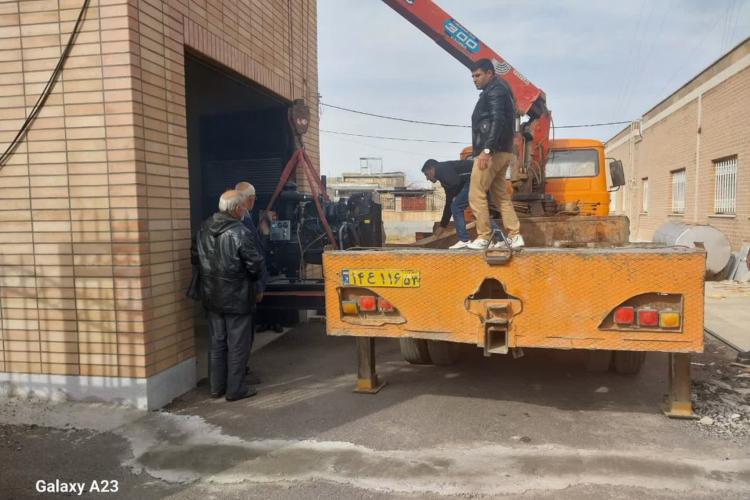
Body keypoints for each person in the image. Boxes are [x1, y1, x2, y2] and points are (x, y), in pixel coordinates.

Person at [191, 190, 264, 402]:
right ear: (238, 209)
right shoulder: (241, 232)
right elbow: (255, 266)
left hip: (211, 295)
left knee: (217, 343)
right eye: (243, 208)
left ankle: (217, 387)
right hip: (237, 297)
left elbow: (195, 258)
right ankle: (236, 390)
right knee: (237, 345)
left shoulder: (203, 228)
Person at [467, 58, 524, 250]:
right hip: (503, 151)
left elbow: (497, 120)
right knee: (501, 197)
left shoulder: (495, 91)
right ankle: (515, 236)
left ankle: (484, 237)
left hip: (492, 152)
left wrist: (486, 150)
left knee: (476, 194)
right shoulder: (499, 90)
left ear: (490, 73)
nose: (474, 79)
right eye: (472, 76)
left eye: (478, 75)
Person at [422, 159, 501, 250]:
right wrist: (443, 225)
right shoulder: (446, 177)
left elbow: (456, 183)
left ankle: (464, 240)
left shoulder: (440, 169)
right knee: (480, 212)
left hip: (474, 178)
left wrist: (458, 198)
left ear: (432, 169)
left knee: (456, 207)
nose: (427, 178)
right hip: (484, 177)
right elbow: (449, 202)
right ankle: (501, 239)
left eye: (426, 174)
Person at [235, 182, 267, 385]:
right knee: (243, 335)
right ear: (248, 199)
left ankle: (226, 379)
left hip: (228, 290)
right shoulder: (243, 222)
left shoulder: (217, 224)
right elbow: (251, 258)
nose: (254, 202)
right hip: (244, 288)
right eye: (253, 198)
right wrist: (258, 285)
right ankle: (240, 375)